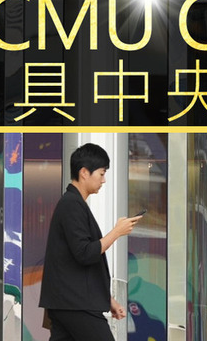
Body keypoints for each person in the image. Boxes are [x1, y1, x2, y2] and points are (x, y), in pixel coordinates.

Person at [40, 143, 142, 341]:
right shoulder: (71, 205)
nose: (104, 180)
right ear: (84, 172)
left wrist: (108, 300)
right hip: (75, 304)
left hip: (68, 303)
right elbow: (85, 253)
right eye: (101, 173)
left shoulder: (74, 204)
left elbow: (77, 262)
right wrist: (116, 232)